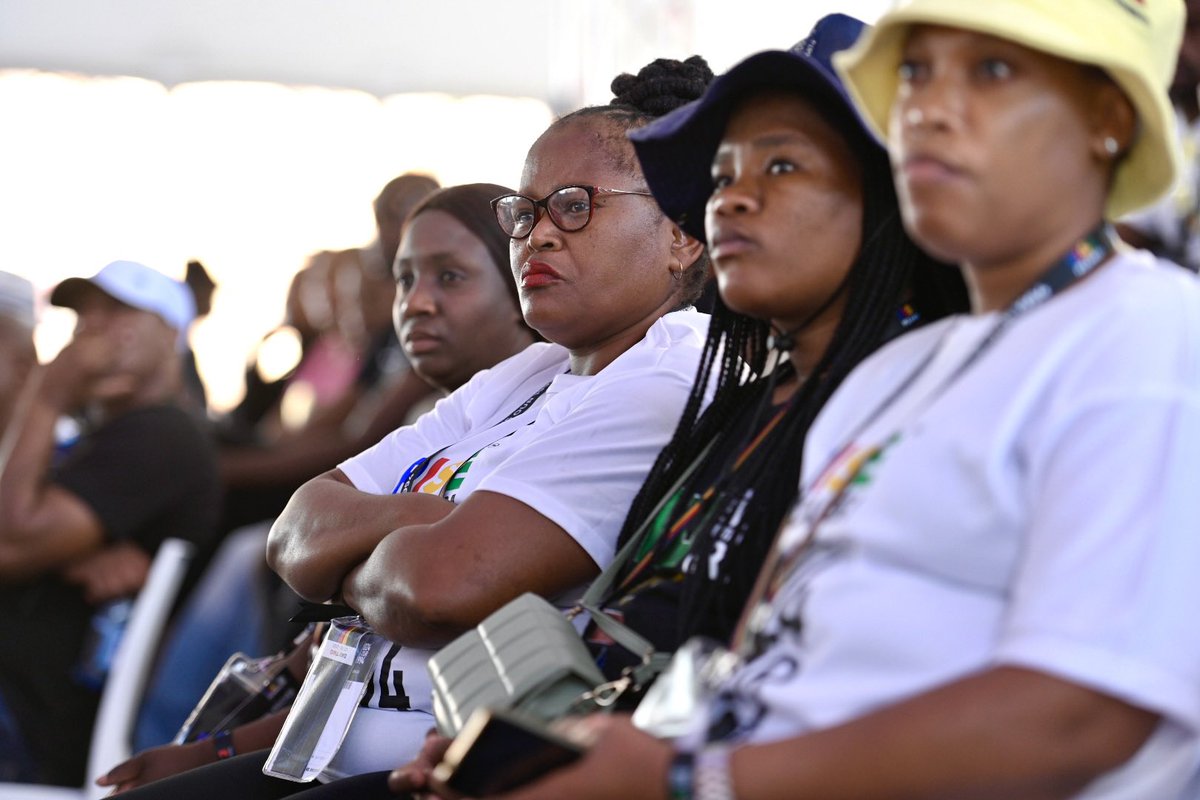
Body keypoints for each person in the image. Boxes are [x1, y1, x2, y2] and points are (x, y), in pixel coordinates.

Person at [435, 1, 1200, 798]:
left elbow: (1082, 717)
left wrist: (686, 776)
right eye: (913, 75)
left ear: (1108, 119)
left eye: (991, 70)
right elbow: (766, 672)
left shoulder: (1148, 333)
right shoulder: (892, 379)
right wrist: (571, 753)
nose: (928, 108)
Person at [104, 53, 715, 799]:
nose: (539, 236)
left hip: (447, 770)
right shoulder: (531, 373)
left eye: (576, 205)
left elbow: (438, 587)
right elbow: (295, 535)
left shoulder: (667, 375)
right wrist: (436, 518)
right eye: (525, 212)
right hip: (329, 744)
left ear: (683, 231)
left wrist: (378, 555)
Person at [126, 183, 541, 755]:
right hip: (341, 723)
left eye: (449, 277)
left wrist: (344, 564)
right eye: (403, 280)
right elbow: (299, 535)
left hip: (420, 740)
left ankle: (159, 731)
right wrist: (407, 527)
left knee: (244, 558)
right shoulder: (448, 413)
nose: (414, 302)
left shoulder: (543, 412)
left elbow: (423, 577)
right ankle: (166, 732)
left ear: (522, 281)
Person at [0, 260, 222, 786]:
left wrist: (48, 394)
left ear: (169, 333)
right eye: (83, 321)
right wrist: (70, 552)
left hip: (29, 717)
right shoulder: (107, 436)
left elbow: (7, 542)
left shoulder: (160, 435)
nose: (92, 333)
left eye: (118, 316)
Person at [1119, 0, 1200, 272]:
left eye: (1193, 27)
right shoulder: (1161, 119)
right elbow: (1131, 233)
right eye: (1169, 28)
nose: (1176, 45)